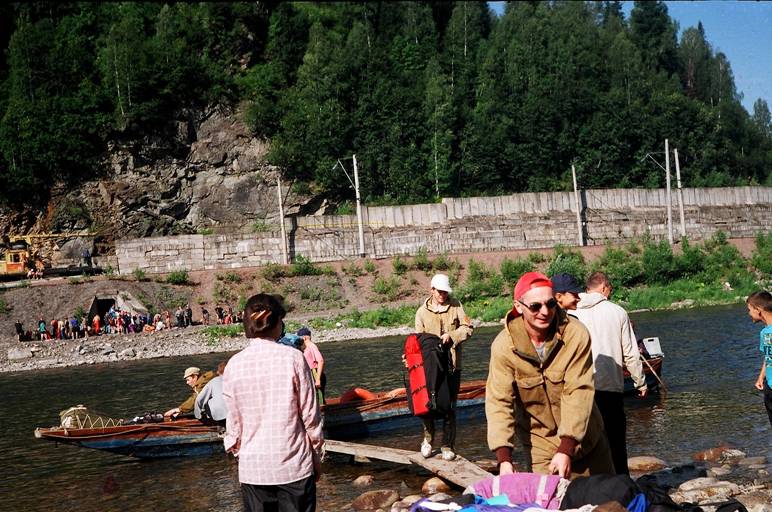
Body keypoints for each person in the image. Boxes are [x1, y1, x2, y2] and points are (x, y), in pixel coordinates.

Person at [486, 271, 613, 479]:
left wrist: (566, 447)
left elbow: (578, 391)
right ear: (519, 307)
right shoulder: (503, 347)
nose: (544, 312)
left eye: (551, 304)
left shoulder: (575, 333)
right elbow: (499, 403)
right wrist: (504, 459)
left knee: (610, 503)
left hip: (589, 441)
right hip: (541, 447)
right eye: (535, 306)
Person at [222, 294, 322, 512]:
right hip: (293, 465)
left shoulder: (233, 365)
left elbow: (234, 424)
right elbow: (310, 418)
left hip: (253, 468)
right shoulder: (294, 358)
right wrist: (316, 455)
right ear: (278, 323)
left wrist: (240, 452)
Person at [572, 271, 647, 475]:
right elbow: (630, 352)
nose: (610, 293)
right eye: (610, 290)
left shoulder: (572, 311)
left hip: (579, 389)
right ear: (604, 287)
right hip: (610, 388)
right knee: (615, 442)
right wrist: (640, 382)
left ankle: (592, 485)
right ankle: (621, 486)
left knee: (585, 440)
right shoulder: (617, 312)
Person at [414, 273, 474, 461]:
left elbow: (468, 328)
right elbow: (418, 341)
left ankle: (447, 445)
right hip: (429, 367)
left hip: (452, 366)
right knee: (428, 404)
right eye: (440, 292)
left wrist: (452, 336)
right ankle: (428, 440)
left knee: (450, 406)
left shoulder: (456, 306)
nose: (443, 295)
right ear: (432, 290)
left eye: (445, 292)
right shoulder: (421, 313)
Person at [747, 290, 772, 426]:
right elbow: (768, 356)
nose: (749, 313)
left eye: (750, 310)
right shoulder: (765, 332)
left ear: (758, 310)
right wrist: (761, 376)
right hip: (769, 385)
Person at [297, 326, 326, 404]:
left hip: (315, 374)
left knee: (319, 401)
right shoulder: (306, 347)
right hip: (311, 374)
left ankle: (323, 414)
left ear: (305, 337)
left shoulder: (311, 346)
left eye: (299, 337)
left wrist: (318, 379)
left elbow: (320, 361)